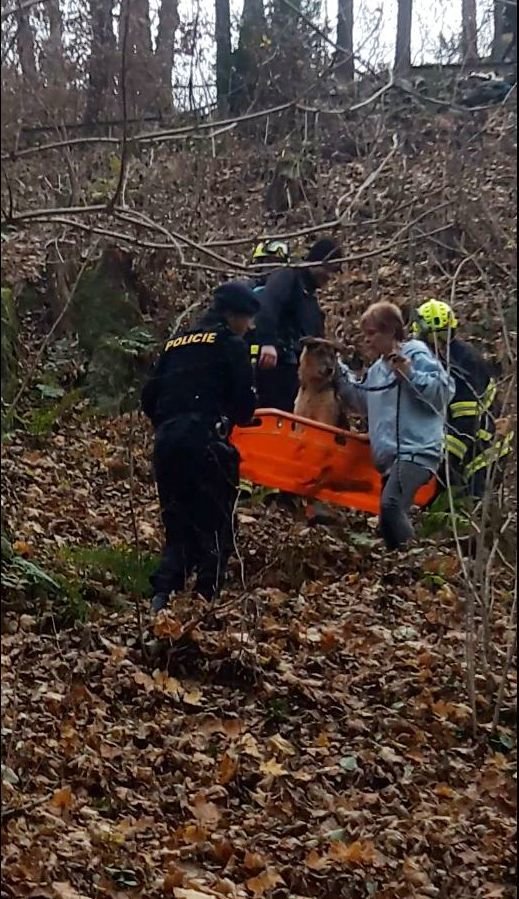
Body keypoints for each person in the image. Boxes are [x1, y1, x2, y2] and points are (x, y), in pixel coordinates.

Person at [141, 282, 260, 613]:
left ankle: (161, 601)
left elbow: (148, 397)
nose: (249, 327)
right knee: (216, 529)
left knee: (177, 527)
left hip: (167, 442)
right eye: (248, 320)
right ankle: (205, 605)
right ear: (233, 315)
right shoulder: (230, 345)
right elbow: (244, 408)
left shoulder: (175, 344)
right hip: (206, 441)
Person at [338, 301, 455, 551]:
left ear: (391, 331)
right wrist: (338, 372)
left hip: (415, 452)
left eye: (372, 334)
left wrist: (410, 374)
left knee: (391, 507)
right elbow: (362, 399)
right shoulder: (378, 369)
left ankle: (415, 562)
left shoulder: (415, 353)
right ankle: (403, 565)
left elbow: (443, 392)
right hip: (391, 458)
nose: (367, 341)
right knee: (388, 517)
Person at [411, 298, 513, 500]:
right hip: (464, 442)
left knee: (468, 504)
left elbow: (464, 422)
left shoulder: (463, 365)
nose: (437, 343)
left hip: (483, 449)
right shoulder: (428, 361)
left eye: (441, 337)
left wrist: (446, 460)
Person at [254, 236, 343, 411]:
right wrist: (267, 343)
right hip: (276, 366)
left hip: (297, 375)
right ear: (318, 262)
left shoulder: (310, 299)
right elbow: (269, 304)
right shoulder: (288, 277)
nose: (330, 277)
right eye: (329, 270)